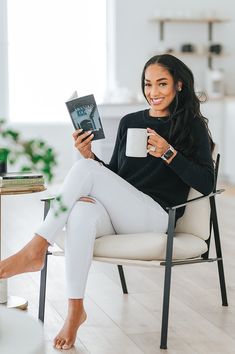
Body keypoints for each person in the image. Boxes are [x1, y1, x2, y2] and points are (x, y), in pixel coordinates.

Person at [0, 54, 215, 350]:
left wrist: (169, 153)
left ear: (179, 85)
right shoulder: (131, 122)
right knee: (82, 211)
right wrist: (89, 155)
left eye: (162, 84)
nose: (153, 92)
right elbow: (117, 175)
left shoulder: (191, 126)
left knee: (86, 174)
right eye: (148, 84)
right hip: (123, 213)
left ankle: (35, 248)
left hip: (156, 216)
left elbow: (207, 183)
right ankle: (76, 309)